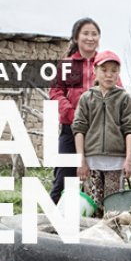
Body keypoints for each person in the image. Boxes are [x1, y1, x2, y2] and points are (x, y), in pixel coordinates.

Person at [72, 50, 131, 218]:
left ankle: (112, 242)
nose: (109, 75)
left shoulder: (124, 98)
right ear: (95, 71)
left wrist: (128, 160)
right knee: (92, 209)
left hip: (116, 162)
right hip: (92, 162)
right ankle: (91, 242)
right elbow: (79, 129)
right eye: (104, 70)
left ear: (118, 73)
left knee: (113, 211)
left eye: (113, 71)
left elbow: (129, 130)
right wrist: (81, 160)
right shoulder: (87, 98)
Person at [49, 18, 101, 204]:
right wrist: (71, 112)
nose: (90, 37)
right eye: (85, 33)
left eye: (94, 34)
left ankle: (93, 224)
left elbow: (118, 93)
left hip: (98, 131)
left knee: (98, 181)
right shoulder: (67, 64)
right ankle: (52, 223)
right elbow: (55, 92)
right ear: (76, 38)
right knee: (64, 178)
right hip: (70, 129)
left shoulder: (104, 64)